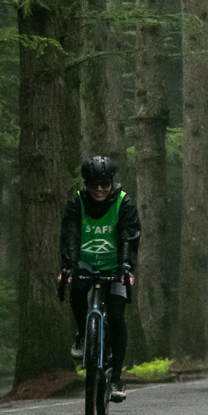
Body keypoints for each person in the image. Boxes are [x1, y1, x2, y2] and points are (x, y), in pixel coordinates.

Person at [59, 156, 141, 402]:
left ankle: (116, 377)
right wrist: (67, 266)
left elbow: (130, 235)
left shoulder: (123, 202)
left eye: (104, 184)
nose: (98, 190)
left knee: (116, 314)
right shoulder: (77, 201)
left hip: (115, 265)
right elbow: (70, 233)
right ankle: (84, 335)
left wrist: (127, 267)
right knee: (76, 293)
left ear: (111, 183)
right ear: (86, 183)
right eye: (93, 184)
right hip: (85, 262)